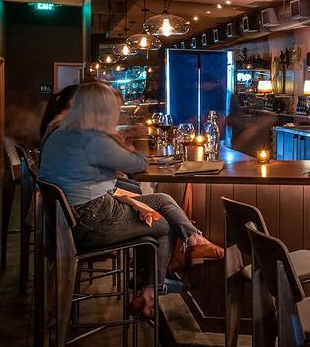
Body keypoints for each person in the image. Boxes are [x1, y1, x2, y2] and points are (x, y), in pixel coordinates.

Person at [37, 82, 223, 317]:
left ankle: (191, 242)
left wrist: (118, 143)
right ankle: (151, 292)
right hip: (88, 218)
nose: (117, 113)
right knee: (162, 225)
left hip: (66, 219)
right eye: (114, 108)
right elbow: (139, 164)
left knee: (161, 200)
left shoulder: (62, 132)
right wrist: (132, 140)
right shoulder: (92, 138)